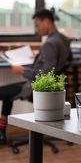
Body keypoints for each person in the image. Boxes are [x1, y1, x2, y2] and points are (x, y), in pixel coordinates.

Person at [0, 9, 72, 144]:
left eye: (37, 25)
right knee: (8, 93)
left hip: (39, 89)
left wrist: (21, 70)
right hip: (54, 88)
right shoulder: (63, 39)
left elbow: (45, 75)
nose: (36, 29)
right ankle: (1, 133)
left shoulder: (50, 43)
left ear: (47, 21)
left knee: (3, 92)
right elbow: (62, 61)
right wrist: (38, 57)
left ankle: (1, 133)